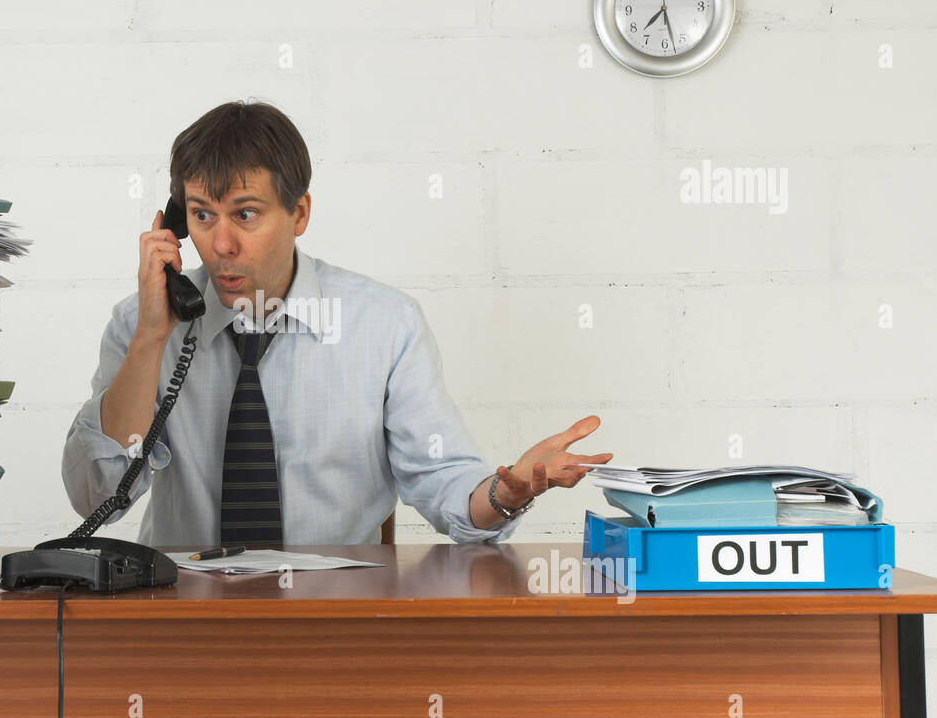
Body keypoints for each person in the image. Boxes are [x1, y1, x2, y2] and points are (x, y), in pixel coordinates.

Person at [62, 100, 612, 546]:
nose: (221, 244)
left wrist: (505, 493)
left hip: (339, 618)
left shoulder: (385, 324)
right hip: (183, 617)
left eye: (245, 214)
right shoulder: (143, 323)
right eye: (202, 215)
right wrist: (153, 338)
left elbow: (445, 486)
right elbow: (96, 497)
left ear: (299, 213)